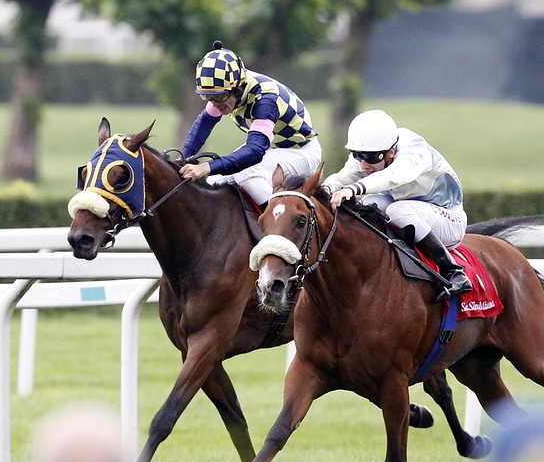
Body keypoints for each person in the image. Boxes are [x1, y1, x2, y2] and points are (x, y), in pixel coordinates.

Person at [322, 109, 473, 297]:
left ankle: (453, 272)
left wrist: (353, 189)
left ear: (391, 152)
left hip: (448, 218)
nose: (363, 164)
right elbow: (344, 176)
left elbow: (391, 177)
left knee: (397, 210)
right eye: (357, 155)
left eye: (370, 158)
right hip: (411, 206)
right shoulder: (373, 149)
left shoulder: (414, 151)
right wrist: (323, 190)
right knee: (368, 205)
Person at [178, 41, 322, 206]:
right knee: (213, 181)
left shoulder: (266, 99)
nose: (214, 104)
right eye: (208, 97)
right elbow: (205, 123)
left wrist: (205, 167)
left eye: (218, 97)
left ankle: (280, 224)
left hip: (301, 152)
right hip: (272, 149)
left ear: (238, 88)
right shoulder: (226, 91)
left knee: (246, 173)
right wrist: (182, 159)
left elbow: (255, 151)